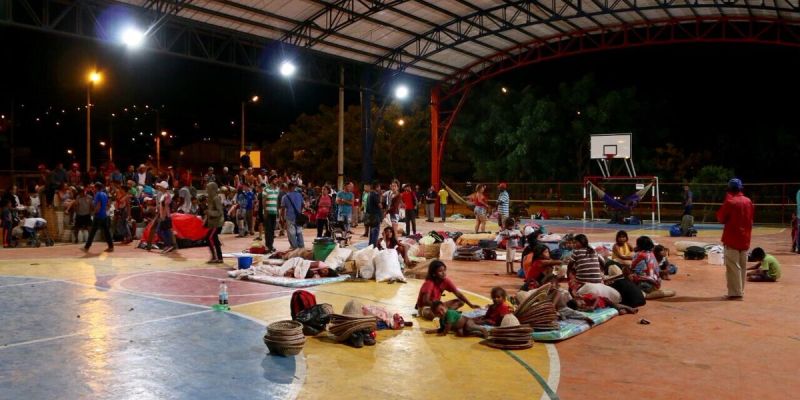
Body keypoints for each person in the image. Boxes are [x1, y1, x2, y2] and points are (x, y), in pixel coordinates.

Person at [716, 178, 754, 300]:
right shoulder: (748, 201)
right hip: (745, 239)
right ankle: (740, 290)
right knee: (742, 266)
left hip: (732, 238)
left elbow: (721, 218)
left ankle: (735, 293)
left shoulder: (730, 202)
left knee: (733, 267)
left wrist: (727, 200)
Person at [415, 260, 479, 320]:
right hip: (426, 308)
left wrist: (470, 304)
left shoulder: (446, 281)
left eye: (444, 270)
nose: (444, 273)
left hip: (438, 306)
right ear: (433, 274)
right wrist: (439, 307)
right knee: (430, 315)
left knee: (461, 301)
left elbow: (458, 294)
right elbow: (426, 301)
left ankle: (444, 313)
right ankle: (446, 313)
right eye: (440, 271)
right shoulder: (429, 283)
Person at [566, 234, 621, 304]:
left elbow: (570, 265)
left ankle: (575, 301)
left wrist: (569, 276)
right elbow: (602, 262)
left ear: (581, 242)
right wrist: (601, 271)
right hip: (598, 280)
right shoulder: (593, 251)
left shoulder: (576, 252)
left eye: (575, 242)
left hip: (583, 281)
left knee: (571, 285)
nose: (574, 245)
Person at [82, 182, 114, 253]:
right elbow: (108, 205)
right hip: (104, 215)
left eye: (94, 188)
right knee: (106, 231)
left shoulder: (98, 194)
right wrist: (104, 210)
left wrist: (95, 212)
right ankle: (111, 246)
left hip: (98, 215)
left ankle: (87, 246)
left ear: (96, 188)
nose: (93, 189)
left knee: (93, 231)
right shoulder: (105, 194)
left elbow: (98, 205)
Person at [204, 182, 224, 263]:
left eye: (208, 189)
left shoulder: (216, 198)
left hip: (217, 223)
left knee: (210, 238)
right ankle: (218, 257)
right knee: (214, 239)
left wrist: (210, 212)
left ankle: (215, 257)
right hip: (212, 222)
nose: (207, 190)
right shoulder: (210, 199)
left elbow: (219, 212)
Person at [281, 181, 305, 249]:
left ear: (288, 188)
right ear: (294, 187)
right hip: (298, 217)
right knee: (299, 232)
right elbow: (303, 205)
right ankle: (301, 247)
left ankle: (295, 247)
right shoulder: (299, 195)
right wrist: (299, 211)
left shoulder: (285, 197)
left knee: (292, 233)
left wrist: (282, 218)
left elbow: (282, 209)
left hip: (290, 217)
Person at [154, 181, 176, 253]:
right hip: (163, 216)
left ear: (163, 187)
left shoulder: (167, 195)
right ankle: (168, 245)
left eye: (160, 186)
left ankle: (169, 245)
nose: (159, 187)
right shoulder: (163, 195)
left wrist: (163, 217)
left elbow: (166, 206)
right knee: (163, 231)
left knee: (163, 231)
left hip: (165, 216)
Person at [365, 182, 383, 247]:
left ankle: (370, 246)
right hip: (375, 216)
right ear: (377, 187)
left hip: (370, 216)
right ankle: (373, 247)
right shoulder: (375, 195)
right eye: (379, 187)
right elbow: (380, 205)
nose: (380, 188)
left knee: (372, 233)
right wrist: (380, 197)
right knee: (375, 233)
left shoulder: (369, 194)